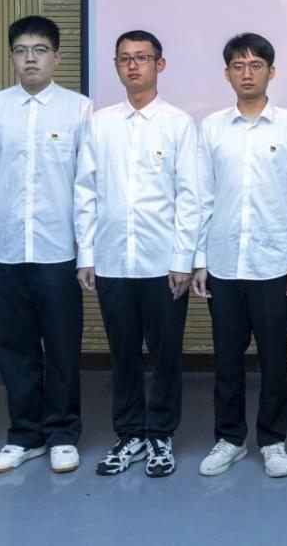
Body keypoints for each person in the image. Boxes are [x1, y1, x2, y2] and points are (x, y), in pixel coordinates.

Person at [0, 15, 91, 475]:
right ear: (11, 57)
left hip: (59, 249)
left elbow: (87, 184)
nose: (30, 59)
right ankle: (25, 435)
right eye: (21, 50)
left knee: (61, 345)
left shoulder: (79, 109)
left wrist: (87, 249)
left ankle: (62, 434)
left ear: (56, 56)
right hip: (7, 248)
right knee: (13, 345)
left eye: (40, 50)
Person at [192, 32, 287, 478]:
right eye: (238, 66)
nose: (247, 73)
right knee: (227, 358)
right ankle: (229, 439)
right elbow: (202, 199)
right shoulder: (211, 128)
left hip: (274, 265)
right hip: (224, 263)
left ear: (271, 72)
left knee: (274, 359)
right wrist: (199, 260)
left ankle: (272, 440)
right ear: (227, 73)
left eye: (256, 65)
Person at [75, 29, 197, 479]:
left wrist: (182, 259)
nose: (133, 65)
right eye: (124, 58)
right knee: (122, 353)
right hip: (112, 260)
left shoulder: (179, 124)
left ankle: (160, 434)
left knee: (166, 354)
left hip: (163, 264)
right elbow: (85, 191)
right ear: (116, 66)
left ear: (159, 65)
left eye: (142, 57)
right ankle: (128, 434)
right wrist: (86, 255)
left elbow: (190, 196)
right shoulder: (100, 124)